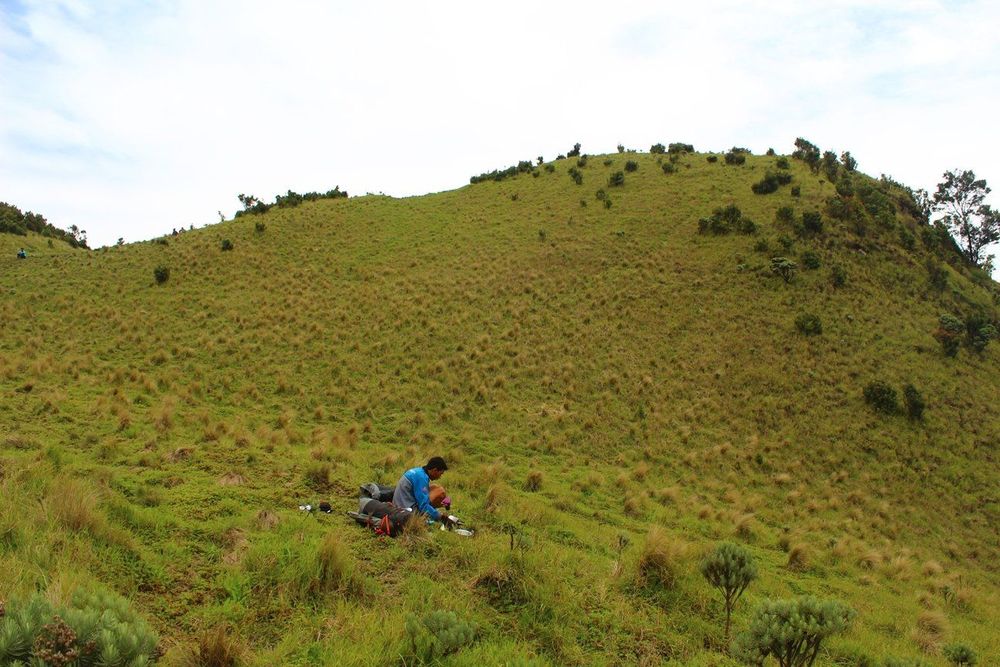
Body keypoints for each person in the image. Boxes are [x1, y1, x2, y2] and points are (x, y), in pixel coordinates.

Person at [392, 456, 452, 524]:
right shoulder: (421, 478)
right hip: (404, 509)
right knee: (428, 519)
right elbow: (423, 506)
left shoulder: (419, 471)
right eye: (440, 474)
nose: (440, 477)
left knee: (432, 494)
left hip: (400, 502)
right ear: (435, 470)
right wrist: (440, 517)